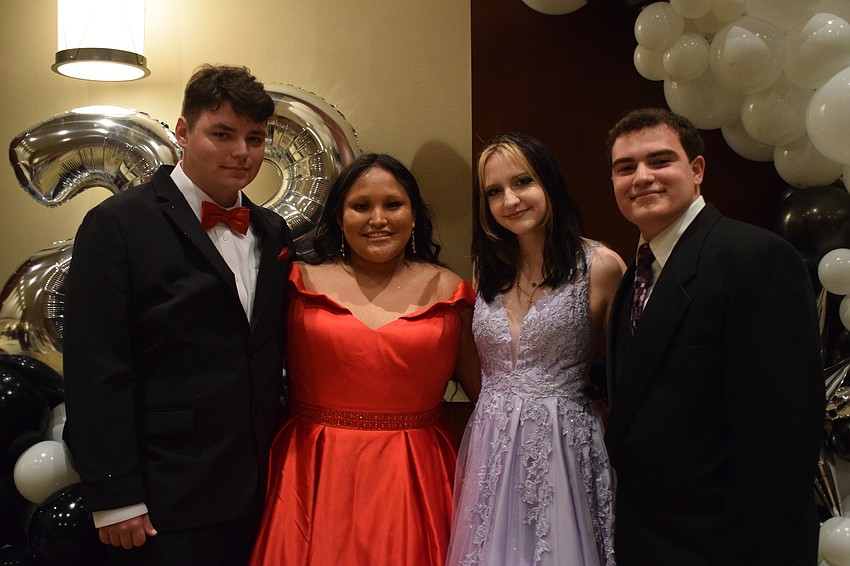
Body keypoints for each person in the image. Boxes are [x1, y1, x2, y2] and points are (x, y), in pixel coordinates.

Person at [63, 64, 294, 565]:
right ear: (184, 132)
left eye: (255, 139)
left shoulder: (274, 232)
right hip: (164, 494)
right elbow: (95, 366)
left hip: (261, 488)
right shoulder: (118, 223)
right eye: (223, 134)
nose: (242, 153)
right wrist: (114, 494)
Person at [603, 107, 824, 565]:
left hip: (722, 544)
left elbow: (783, 443)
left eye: (659, 161)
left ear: (697, 170)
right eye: (626, 167)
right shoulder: (633, 277)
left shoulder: (756, 260)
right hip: (649, 538)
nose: (641, 177)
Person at [249, 153, 480, 565]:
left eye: (393, 204)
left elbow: (486, 391)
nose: (378, 219)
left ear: (413, 216)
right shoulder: (297, 282)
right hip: (313, 470)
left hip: (416, 472)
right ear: (339, 217)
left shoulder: (452, 291)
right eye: (361, 206)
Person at [447, 132, 625, 566]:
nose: (510, 200)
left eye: (522, 182)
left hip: (563, 447)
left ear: (548, 184)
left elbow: (628, 369)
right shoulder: (486, 269)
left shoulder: (599, 266)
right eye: (494, 191)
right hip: (491, 443)